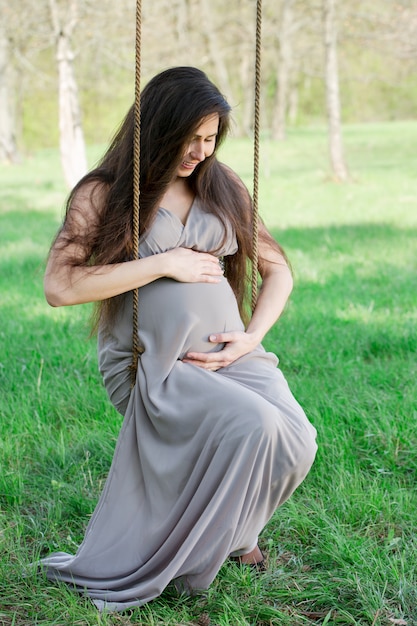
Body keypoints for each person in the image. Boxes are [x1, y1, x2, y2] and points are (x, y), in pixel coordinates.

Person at [40, 66, 317, 612]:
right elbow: (59, 286)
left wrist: (249, 337)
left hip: (230, 352)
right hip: (155, 363)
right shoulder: (106, 193)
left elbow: (278, 269)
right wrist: (164, 262)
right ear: (157, 129)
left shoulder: (221, 183)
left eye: (211, 138)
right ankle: (194, 562)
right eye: (190, 137)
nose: (200, 151)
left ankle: (236, 534)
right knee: (252, 425)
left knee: (296, 440)